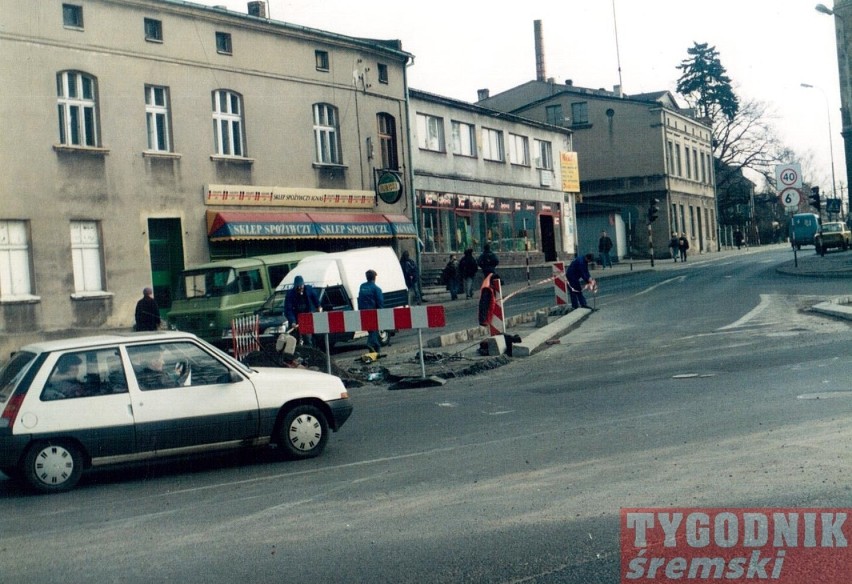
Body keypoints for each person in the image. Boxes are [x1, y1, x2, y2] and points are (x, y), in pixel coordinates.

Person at [284, 275, 321, 348]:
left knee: (307, 338)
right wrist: (293, 322)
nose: (300, 288)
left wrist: (318, 307)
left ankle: (310, 351)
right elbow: (288, 309)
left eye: (301, 286)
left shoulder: (309, 290)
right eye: (298, 286)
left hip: (307, 318)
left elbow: (316, 301)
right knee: (294, 339)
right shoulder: (290, 294)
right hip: (296, 317)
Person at [357, 269, 384, 353]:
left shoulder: (362, 286)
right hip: (373, 312)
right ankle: (370, 344)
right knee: (374, 330)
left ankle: (375, 349)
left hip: (363, 311)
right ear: (374, 278)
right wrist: (381, 313)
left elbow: (359, 299)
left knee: (371, 330)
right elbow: (380, 302)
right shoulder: (376, 289)